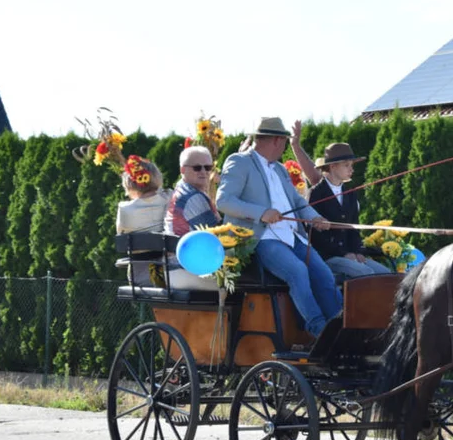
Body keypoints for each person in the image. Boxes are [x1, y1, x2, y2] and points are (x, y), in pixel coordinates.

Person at [217, 116, 341, 337]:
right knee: (298, 271)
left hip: (292, 237)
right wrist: (261, 213)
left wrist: (315, 218)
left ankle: (339, 330)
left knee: (324, 274)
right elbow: (224, 201)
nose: (285, 147)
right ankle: (318, 329)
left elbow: (298, 202)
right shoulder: (239, 161)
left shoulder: (281, 169)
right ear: (276, 140)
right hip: (260, 239)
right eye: (284, 142)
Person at [308, 142, 389, 279]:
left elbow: (353, 228)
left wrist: (357, 251)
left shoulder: (350, 193)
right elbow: (315, 235)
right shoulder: (316, 193)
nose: (351, 169)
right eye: (346, 165)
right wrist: (343, 253)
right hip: (327, 256)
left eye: (351, 165)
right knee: (365, 274)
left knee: (386, 274)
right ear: (333, 166)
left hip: (350, 254)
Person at [164, 145, 223, 290]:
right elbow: (217, 235)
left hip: (177, 267)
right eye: (197, 168)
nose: (204, 172)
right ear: (182, 170)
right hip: (186, 270)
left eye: (208, 167)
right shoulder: (193, 197)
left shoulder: (182, 188)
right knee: (248, 284)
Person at [115, 156, 171, 287]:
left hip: (139, 277)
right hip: (169, 272)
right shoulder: (169, 198)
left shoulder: (124, 209)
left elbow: (120, 232)